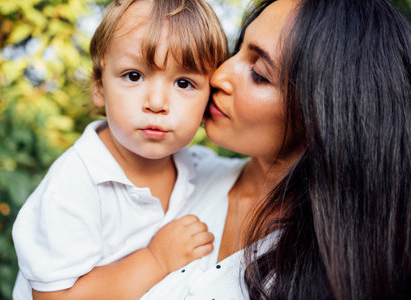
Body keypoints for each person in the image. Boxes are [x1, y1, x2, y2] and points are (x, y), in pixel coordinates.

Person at [142, 0, 411, 299]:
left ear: (325, 114)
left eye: (258, 73)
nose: (217, 76)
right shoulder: (172, 179)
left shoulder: (344, 272)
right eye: (238, 49)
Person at [11, 0, 228, 299]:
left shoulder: (200, 167)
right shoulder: (74, 186)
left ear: (209, 100)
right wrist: (156, 259)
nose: (157, 102)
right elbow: (52, 297)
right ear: (99, 85)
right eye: (134, 76)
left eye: (183, 82)